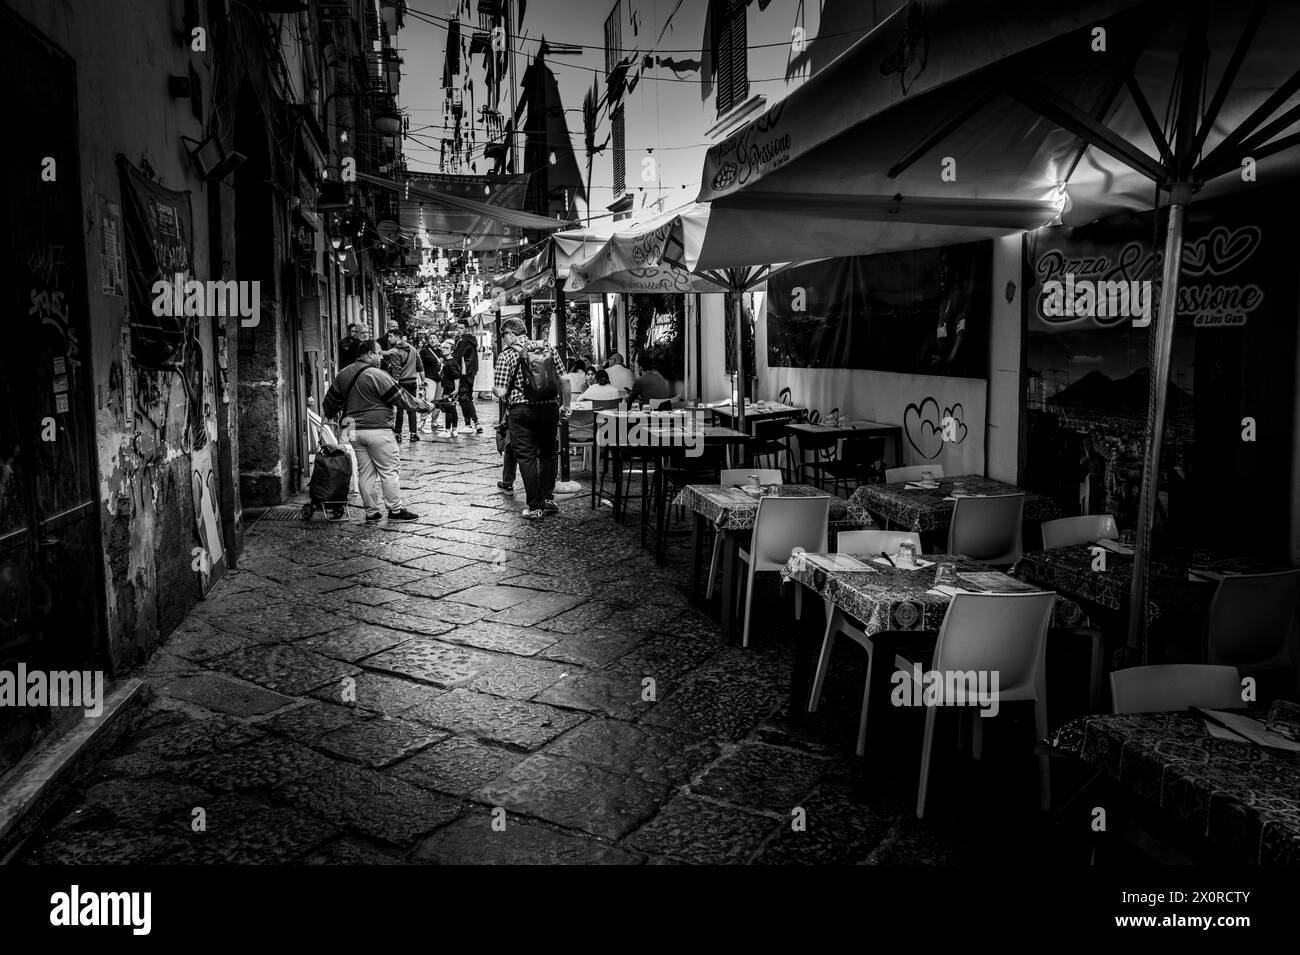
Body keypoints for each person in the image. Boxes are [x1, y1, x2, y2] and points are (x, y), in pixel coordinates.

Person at [322, 339, 431, 523]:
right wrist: (424, 406)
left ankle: (371, 512)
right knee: (389, 471)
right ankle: (396, 510)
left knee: (365, 472)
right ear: (370, 354)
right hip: (378, 431)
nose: (382, 357)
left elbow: (330, 405)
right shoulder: (376, 375)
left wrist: (333, 415)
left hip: (354, 431)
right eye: (379, 353)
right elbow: (401, 397)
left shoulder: (343, 373)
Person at [493, 317, 571, 519]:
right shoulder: (548, 348)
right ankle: (548, 498)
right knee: (547, 454)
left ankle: (535, 507)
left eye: (504, 335)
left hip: (522, 412)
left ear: (510, 333)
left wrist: (496, 387)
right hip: (549, 408)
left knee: (526, 457)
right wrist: (566, 405)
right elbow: (564, 379)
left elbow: (501, 392)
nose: (503, 340)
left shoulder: (507, 355)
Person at [383, 328, 423, 442]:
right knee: (412, 408)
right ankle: (413, 434)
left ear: (397, 337)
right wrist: (423, 380)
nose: (389, 338)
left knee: (400, 409)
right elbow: (419, 365)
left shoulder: (395, 351)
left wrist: (394, 383)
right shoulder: (413, 349)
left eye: (391, 336)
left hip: (401, 382)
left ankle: (398, 434)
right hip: (412, 382)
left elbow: (396, 369)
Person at [452, 319, 482, 434]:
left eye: (461, 328)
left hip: (464, 374)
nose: (458, 330)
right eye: (458, 328)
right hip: (471, 373)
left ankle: (472, 423)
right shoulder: (471, 340)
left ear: (466, 329)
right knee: (467, 397)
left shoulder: (463, 341)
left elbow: (457, 358)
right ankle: (472, 423)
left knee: (465, 398)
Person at [432, 340, 462, 438]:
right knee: (452, 409)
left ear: (451, 351)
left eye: (446, 348)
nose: (443, 349)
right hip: (451, 388)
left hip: (450, 389)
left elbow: (456, 377)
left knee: (448, 409)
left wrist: (456, 389)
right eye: (443, 348)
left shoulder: (451, 363)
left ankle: (448, 431)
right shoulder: (448, 362)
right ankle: (454, 430)